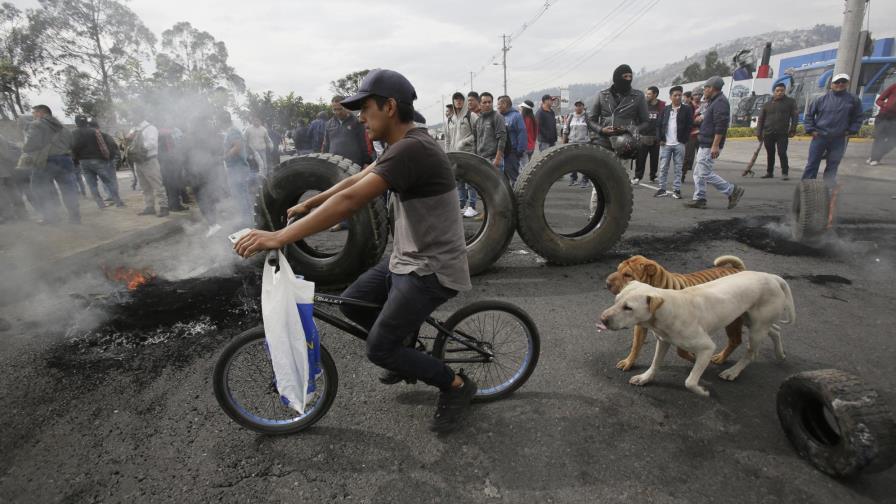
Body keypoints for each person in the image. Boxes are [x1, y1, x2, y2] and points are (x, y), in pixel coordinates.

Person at [233, 69, 476, 434]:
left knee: (378, 349)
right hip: (407, 260)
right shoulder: (403, 146)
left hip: (432, 269)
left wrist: (279, 237)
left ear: (390, 107)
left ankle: (456, 386)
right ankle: (406, 350)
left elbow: (351, 201)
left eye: (366, 109)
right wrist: (310, 205)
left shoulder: (414, 149)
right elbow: (353, 180)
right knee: (352, 303)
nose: (361, 118)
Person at [684, 76, 744, 209]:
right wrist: (702, 118)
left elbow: (721, 125)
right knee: (698, 172)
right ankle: (700, 198)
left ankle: (732, 190)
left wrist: (715, 145)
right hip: (705, 141)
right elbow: (712, 116)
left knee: (704, 172)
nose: (703, 91)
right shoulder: (714, 101)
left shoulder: (720, 102)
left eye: (705, 88)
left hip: (710, 143)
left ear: (711, 88)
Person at [20, 105, 80, 224]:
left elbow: (31, 144)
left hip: (46, 161)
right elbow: (72, 143)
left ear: (41, 113)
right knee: (68, 190)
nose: (33, 115)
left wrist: (25, 148)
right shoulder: (63, 127)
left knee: (39, 189)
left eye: (34, 113)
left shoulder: (36, 125)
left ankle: (51, 217)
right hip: (65, 160)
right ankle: (75, 218)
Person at [802, 73, 863, 188]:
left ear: (847, 84)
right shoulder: (820, 99)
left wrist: (851, 130)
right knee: (812, 163)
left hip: (838, 138)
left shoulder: (854, 100)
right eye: (837, 82)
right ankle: (807, 185)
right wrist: (811, 130)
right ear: (831, 84)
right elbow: (809, 115)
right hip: (819, 136)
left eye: (843, 82)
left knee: (833, 163)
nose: (840, 84)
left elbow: (858, 117)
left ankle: (828, 185)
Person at [323, 96, 373, 231]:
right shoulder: (329, 124)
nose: (337, 112)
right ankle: (342, 221)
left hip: (353, 164)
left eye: (339, 108)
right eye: (334, 109)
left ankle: (359, 222)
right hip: (335, 164)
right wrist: (324, 160)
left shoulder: (356, 122)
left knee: (355, 193)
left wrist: (366, 161)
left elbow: (364, 143)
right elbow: (326, 144)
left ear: (345, 106)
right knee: (338, 193)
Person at [71, 116, 125, 208]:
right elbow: (102, 146)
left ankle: (101, 204)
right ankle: (118, 202)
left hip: (83, 162)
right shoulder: (94, 131)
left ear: (76, 123)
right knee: (108, 181)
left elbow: (72, 148)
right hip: (98, 160)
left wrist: (76, 161)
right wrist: (106, 158)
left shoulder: (73, 133)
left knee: (92, 185)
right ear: (86, 122)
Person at [654, 86, 693, 199]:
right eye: (675, 95)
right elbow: (658, 125)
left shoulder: (686, 109)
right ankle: (662, 189)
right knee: (663, 167)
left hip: (679, 144)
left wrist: (684, 140)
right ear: (670, 97)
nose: (678, 97)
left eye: (680, 95)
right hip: (665, 144)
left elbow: (689, 126)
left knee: (678, 167)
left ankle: (677, 190)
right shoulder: (665, 110)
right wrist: (660, 139)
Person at [473, 92, 507, 220]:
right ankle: (486, 213)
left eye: (489, 102)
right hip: (482, 159)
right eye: (484, 102)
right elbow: (476, 140)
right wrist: (476, 157)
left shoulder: (497, 117)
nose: (487, 104)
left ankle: (498, 216)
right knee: (484, 189)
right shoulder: (478, 120)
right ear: (480, 104)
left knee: (496, 189)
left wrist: (498, 158)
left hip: (494, 158)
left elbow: (502, 138)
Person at [756, 82, 799, 179]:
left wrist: (793, 129)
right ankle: (769, 172)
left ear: (785, 91)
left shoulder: (790, 102)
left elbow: (795, 117)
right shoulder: (767, 104)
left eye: (782, 91)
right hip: (768, 133)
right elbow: (761, 119)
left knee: (782, 152)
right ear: (774, 92)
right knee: (770, 153)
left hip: (782, 133)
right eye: (777, 91)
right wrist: (758, 132)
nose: (779, 93)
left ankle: (785, 173)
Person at [446, 91, 479, 216]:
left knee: (471, 182)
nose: (458, 101)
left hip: (469, 154)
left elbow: (477, 134)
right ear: (453, 102)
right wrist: (447, 154)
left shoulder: (472, 116)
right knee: (459, 182)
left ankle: (472, 206)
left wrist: (464, 142)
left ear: (464, 101)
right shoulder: (450, 120)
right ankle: (462, 205)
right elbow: (448, 139)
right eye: (456, 99)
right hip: (455, 156)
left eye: (460, 99)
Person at [129, 117, 169, 217]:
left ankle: (164, 207)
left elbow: (152, 144)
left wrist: (136, 148)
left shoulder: (151, 128)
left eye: (132, 115)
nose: (130, 118)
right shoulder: (134, 129)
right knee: (144, 186)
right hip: (138, 161)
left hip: (149, 160)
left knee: (157, 185)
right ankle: (149, 207)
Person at [218, 111, 253, 224]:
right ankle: (247, 220)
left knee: (241, 195)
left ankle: (247, 222)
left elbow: (237, 147)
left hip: (238, 169)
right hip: (236, 168)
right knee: (241, 195)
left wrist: (224, 157)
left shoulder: (232, 131)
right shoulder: (231, 131)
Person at [634, 86, 665, 183]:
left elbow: (663, 122)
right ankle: (637, 177)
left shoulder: (661, 106)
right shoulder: (643, 106)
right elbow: (637, 120)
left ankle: (653, 176)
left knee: (654, 159)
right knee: (640, 158)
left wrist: (661, 136)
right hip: (643, 137)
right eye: (646, 94)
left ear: (655, 94)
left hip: (655, 137)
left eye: (649, 94)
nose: (646, 96)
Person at [497, 95, 527, 186]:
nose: (497, 107)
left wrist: (519, 150)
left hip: (512, 153)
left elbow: (522, 133)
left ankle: (518, 198)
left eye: (498, 104)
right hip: (501, 153)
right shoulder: (499, 117)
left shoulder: (516, 116)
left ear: (505, 104)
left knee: (514, 177)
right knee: (502, 178)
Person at [561, 99, 590, 187]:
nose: (578, 107)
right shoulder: (570, 116)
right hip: (572, 142)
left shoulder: (587, 116)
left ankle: (585, 180)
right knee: (573, 161)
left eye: (580, 105)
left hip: (584, 142)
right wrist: (563, 143)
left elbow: (592, 129)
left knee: (585, 162)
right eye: (576, 105)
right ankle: (573, 178)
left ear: (583, 106)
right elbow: (565, 130)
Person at [868, 81, 896, 166]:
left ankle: (876, 156)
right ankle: (874, 158)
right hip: (883, 116)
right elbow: (879, 100)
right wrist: (885, 105)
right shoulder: (894, 86)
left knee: (893, 141)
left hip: (894, 120)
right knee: (879, 139)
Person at [682, 88, 703, 184]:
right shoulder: (688, 107)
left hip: (703, 134)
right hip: (691, 134)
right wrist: (695, 121)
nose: (698, 96)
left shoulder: (705, 106)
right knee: (688, 156)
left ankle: (703, 176)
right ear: (692, 96)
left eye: (700, 94)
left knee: (702, 157)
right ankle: (682, 174)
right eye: (696, 94)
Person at [519, 100, 537, 167]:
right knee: (528, 167)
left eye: (521, 107)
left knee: (523, 169)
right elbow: (535, 134)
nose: (520, 108)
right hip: (531, 146)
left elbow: (521, 133)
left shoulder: (521, 119)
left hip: (524, 147)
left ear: (524, 108)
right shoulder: (533, 119)